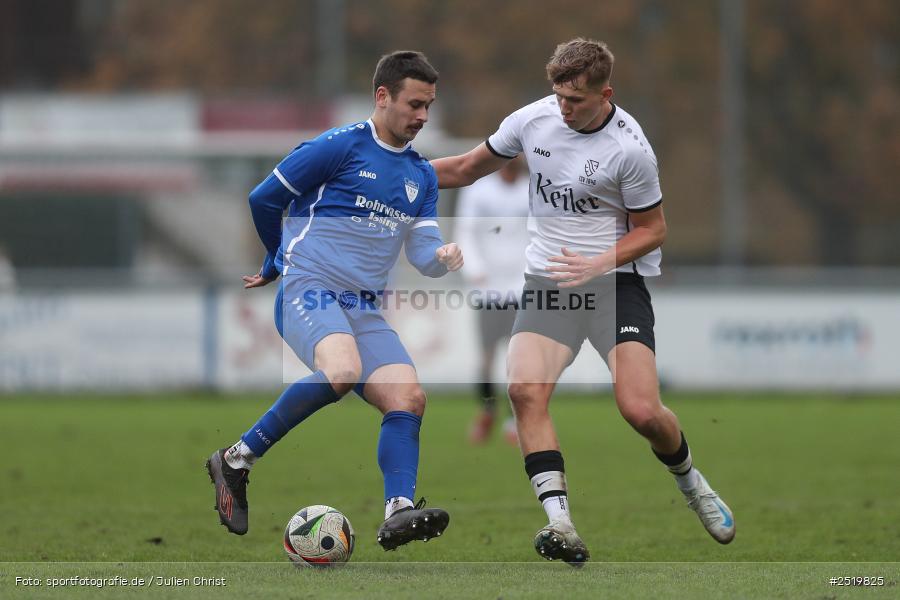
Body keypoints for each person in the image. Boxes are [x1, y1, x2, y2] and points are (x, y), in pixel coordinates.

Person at [432, 38, 734, 565]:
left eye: (575, 100)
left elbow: (654, 230)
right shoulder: (533, 119)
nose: (563, 108)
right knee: (525, 392)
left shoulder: (630, 149)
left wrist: (599, 263)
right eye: (558, 96)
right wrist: (394, 172)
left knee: (640, 411)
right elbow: (464, 167)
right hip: (549, 282)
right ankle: (560, 523)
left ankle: (693, 484)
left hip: (616, 286)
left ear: (605, 93)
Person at [206, 51, 462, 551]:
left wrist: (444, 257)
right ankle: (235, 460)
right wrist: (278, 260)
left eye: (429, 106)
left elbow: (424, 251)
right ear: (382, 97)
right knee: (341, 371)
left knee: (408, 398)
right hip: (310, 287)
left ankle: (399, 511)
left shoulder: (421, 176)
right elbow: (264, 198)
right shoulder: (339, 147)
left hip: (363, 307)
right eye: (414, 104)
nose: (423, 117)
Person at [453, 158, 529, 444]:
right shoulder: (479, 191)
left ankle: (515, 419)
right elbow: (465, 231)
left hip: (521, 287)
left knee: (518, 356)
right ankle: (487, 410)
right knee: (486, 356)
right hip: (488, 286)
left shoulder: (531, 191)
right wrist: (474, 268)